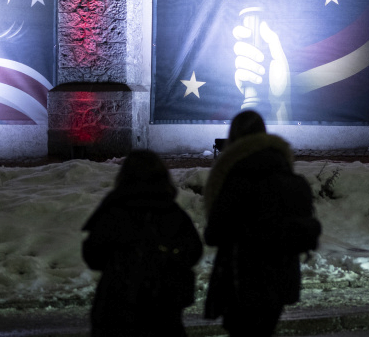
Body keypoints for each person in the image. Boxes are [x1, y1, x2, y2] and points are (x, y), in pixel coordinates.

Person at [203, 110, 321, 337]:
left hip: (240, 280)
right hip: (280, 280)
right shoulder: (294, 182)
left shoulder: (234, 181)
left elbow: (214, 234)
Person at [82, 150, 202, 337]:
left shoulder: (114, 209)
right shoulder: (171, 212)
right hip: (163, 307)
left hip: (117, 306)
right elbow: (194, 251)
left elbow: (92, 254)